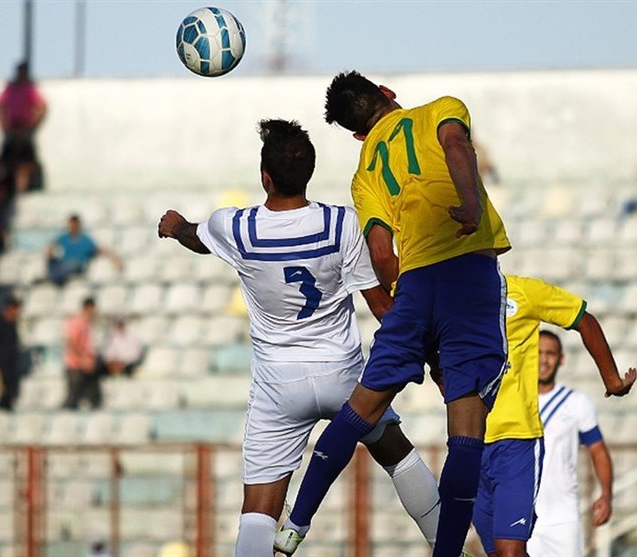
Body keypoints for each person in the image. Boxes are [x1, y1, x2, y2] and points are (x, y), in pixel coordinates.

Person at [158, 119, 444, 556]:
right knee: (396, 452)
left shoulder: (238, 228)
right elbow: (380, 304)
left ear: (265, 177)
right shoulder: (342, 224)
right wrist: (426, 351)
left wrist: (176, 226)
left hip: (279, 383)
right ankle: (448, 545)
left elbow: (197, 238)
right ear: (309, 171)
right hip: (343, 374)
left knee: (259, 506)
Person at [276, 70, 513, 557]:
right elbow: (457, 148)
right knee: (466, 423)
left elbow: (382, 253)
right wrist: (469, 205)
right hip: (468, 275)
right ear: (387, 94)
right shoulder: (440, 109)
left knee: (362, 408)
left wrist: (414, 309)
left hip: (415, 286)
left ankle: (294, 526)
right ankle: (448, 552)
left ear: (358, 133)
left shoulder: (364, 174)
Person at [430, 275, 634, 557]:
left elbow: (583, 318)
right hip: (469, 444)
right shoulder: (449, 294)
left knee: (510, 551)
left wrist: (612, 379)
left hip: (517, 442)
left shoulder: (523, 292)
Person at [527, 330, 614, 557]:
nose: (544, 360)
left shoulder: (576, 402)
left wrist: (606, 494)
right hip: (521, 514)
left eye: (550, 354)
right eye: (538, 353)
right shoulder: (515, 400)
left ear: (561, 359)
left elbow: (598, 451)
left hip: (563, 517)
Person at [0, 60, 46, 193]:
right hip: (12, 128)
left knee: (28, 159)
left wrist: (32, 125)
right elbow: (0, 105)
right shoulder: (10, 87)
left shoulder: (30, 88)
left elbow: (42, 106)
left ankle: (29, 185)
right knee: (3, 158)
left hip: (25, 128)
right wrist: (4, 125)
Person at [46, 214, 120, 286]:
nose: (72, 226)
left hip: (78, 266)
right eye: (70, 224)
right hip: (64, 265)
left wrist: (112, 257)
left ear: (78, 224)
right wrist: (50, 252)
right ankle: (53, 277)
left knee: (70, 266)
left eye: (74, 224)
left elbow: (98, 249)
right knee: (54, 263)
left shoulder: (85, 240)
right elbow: (52, 246)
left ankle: (53, 277)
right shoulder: (64, 238)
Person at [63, 297, 102, 409]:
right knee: (72, 399)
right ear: (88, 307)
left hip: (87, 365)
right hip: (76, 366)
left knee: (94, 398)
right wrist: (83, 360)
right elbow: (72, 344)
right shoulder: (77, 322)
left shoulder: (88, 324)